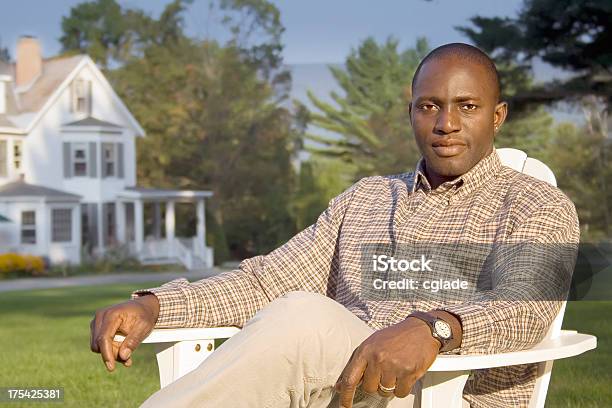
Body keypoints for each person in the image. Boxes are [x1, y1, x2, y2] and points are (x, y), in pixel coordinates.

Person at [90, 43, 579, 408]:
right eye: (429, 105)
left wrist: (434, 328)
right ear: (410, 113)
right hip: (343, 388)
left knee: (301, 318)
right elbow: (268, 282)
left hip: (454, 392)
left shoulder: (536, 204)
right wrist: (157, 305)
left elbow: (524, 305)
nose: (446, 123)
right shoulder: (365, 199)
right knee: (294, 307)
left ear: (497, 117)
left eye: (466, 106)